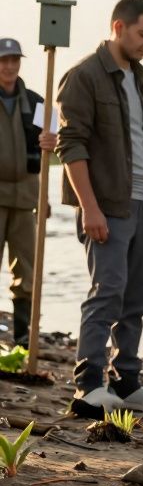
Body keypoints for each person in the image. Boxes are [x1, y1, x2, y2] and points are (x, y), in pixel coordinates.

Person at [56, 0, 143, 412]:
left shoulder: (141, 80)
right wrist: (89, 207)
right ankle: (87, 387)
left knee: (136, 297)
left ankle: (126, 383)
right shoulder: (83, 76)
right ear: (118, 27)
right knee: (107, 294)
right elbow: (71, 146)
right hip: (105, 204)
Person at [0, 38, 57, 347]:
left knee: (26, 272)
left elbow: (56, 142)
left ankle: (23, 339)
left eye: (14, 60)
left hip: (26, 197)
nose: (9, 66)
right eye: (3, 60)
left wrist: (52, 142)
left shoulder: (38, 103)